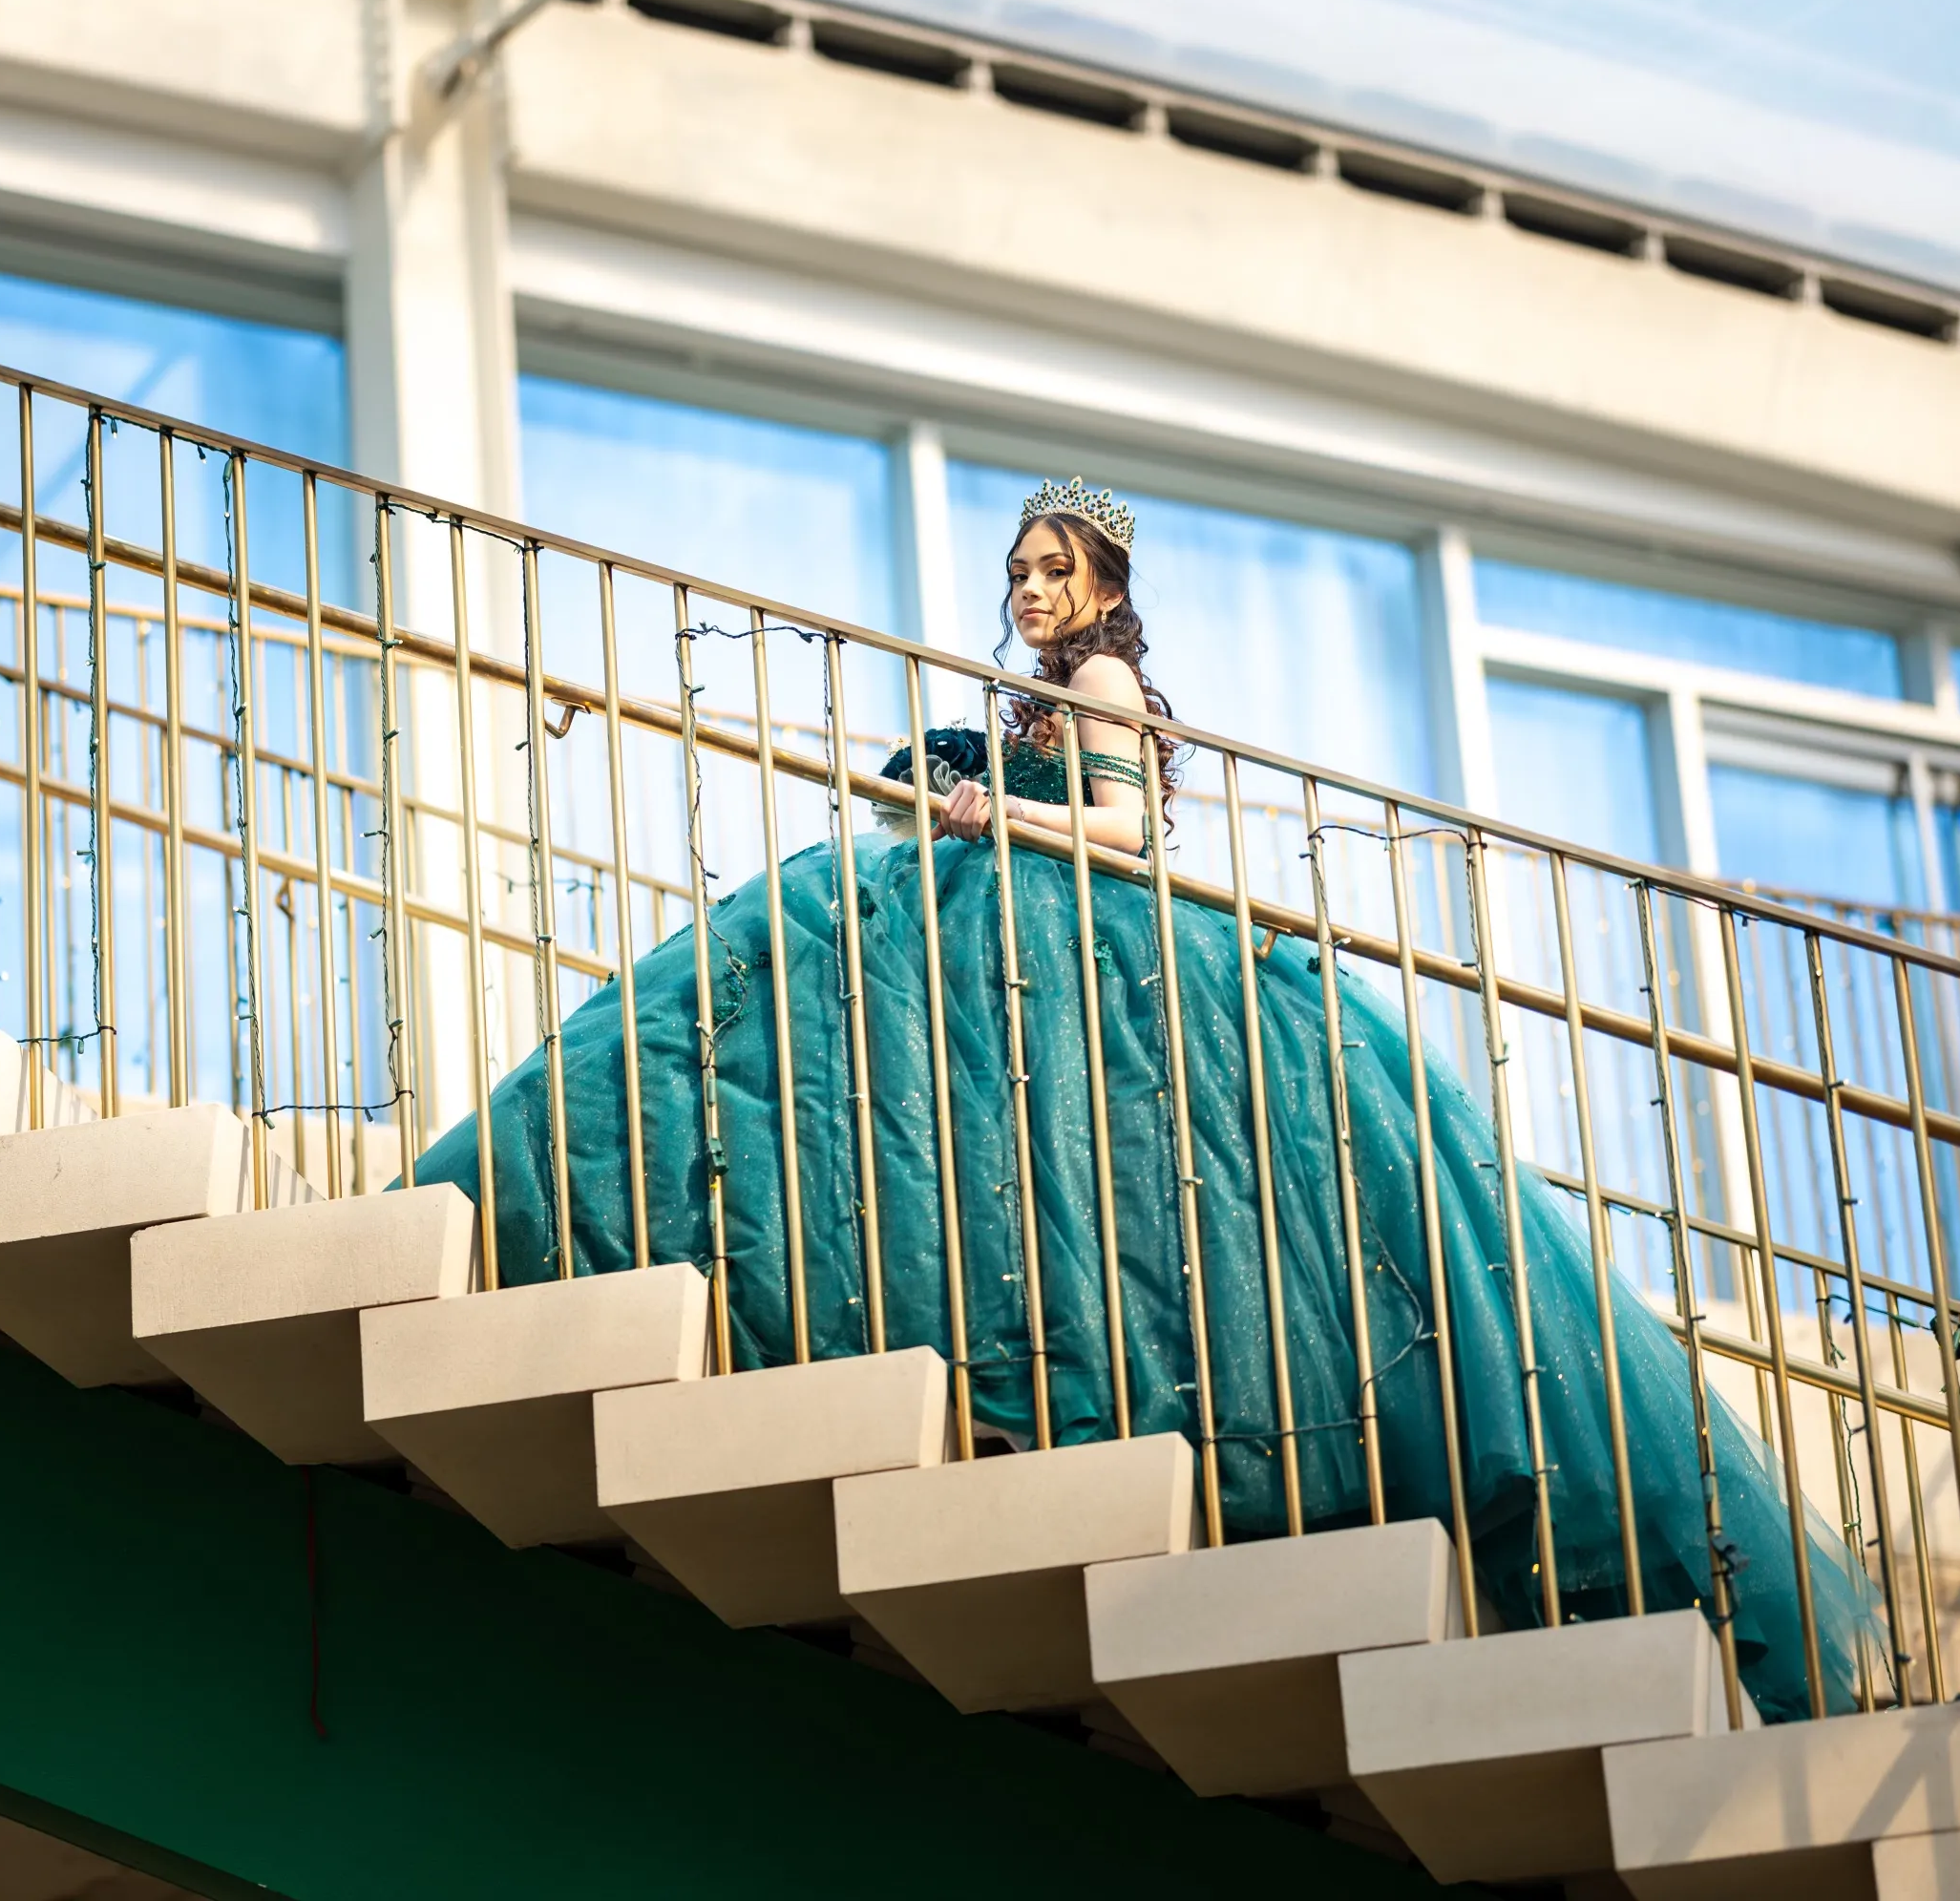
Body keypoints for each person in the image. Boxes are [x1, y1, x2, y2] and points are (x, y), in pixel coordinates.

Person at [420, 477, 1874, 1721]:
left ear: (1105, 586)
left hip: (1088, 930)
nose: (1033, 593)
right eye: (1019, 575)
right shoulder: (1046, 694)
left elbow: (1127, 830)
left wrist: (1002, 811)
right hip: (1010, 917)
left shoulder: (1103, 689)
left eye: (1056, 572)